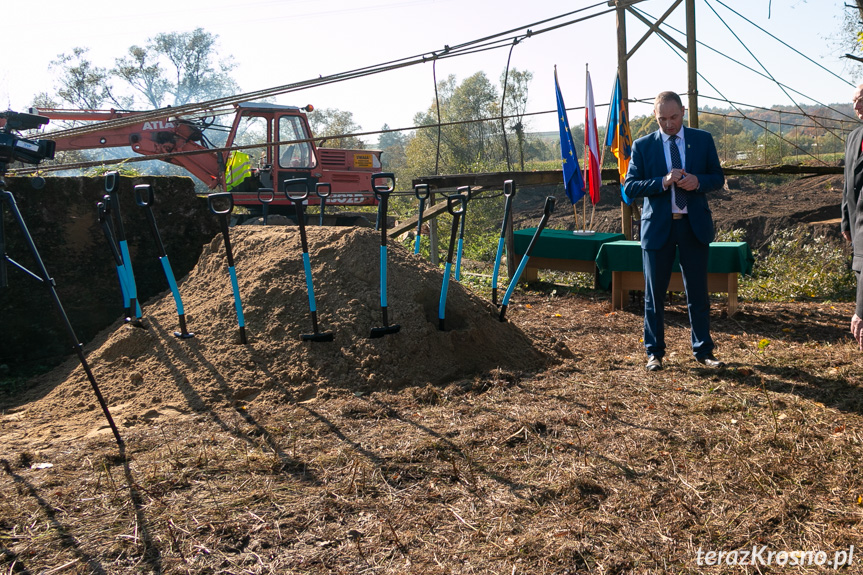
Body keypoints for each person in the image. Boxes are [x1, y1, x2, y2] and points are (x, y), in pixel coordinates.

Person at [623, 91, 726, 371]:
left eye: (674, 117)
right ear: (655, 117)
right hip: (658, 229)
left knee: (698, 294)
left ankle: (704, 352)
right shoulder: (643, 146)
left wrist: (698, 182)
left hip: (693, 228)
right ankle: (654, 353)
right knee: (654, 295)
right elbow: (629, 188)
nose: (669, 124)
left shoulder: (702, 140)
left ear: (684, 111)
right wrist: (662, 181)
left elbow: (718, 177)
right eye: (662, 119)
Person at [842, 83, 863, 351]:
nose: (857, 106)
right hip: (856, 225)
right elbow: (847, 183)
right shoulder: (853, 137)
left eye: (862, 100)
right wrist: (845, 220)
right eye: (854, 101)